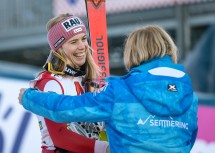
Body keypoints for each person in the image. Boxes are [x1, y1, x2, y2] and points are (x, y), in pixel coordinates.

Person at [19, 25, 198, 153]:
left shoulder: (120, 90)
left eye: (83, 39)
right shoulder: (189, 96)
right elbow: (188, 140)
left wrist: (29, 98)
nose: (82, 46)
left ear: (133, 53)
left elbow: (66, 109)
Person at [25, 13, 109, 153]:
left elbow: (99, 128)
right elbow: (60, 136)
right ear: (59, 48)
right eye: (73, 42)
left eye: (83, 39)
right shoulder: (50, 82)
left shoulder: (88, 80)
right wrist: (106, 148)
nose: (82, 46)